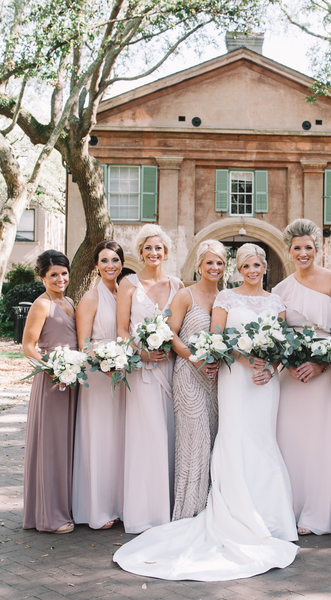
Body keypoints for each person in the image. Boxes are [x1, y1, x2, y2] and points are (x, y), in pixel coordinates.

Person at [113, 243, 298, 581]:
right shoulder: (213, 297)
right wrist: (221, 357)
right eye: (245, 265)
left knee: (251, 441)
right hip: (218, 377)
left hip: (248, 381)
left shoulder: (268, 301)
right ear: (201, 266)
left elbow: (282, 342)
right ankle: (195, 511)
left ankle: (265, 513)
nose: (251, 270)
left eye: (256, 265)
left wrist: (270, 367)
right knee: (214, 440)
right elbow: (209, 337)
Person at [274, 219, 331, 536]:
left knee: (320, 441)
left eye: (308, 247)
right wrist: (289, 362)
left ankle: (317, 514)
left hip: (325, 374)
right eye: (297, 248)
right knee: (289, 440)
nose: (302, 253)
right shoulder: (280, 290)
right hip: (291, 377)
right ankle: (288, 509)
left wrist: (321, 365)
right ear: (289, 251)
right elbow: (278, 335)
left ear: (317, 249)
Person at [116, 225, 183, 534]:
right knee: (148, 435)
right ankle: (144, 511)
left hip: (169, 368)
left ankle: (167, 508)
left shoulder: (177, 285)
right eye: (148, 248)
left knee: (169, 432)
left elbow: (180, 328)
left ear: (165, 252)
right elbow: (122, 330)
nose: (153, 253)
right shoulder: (128, 284)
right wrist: (141, 353)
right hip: (142, 370)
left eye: (158, 248)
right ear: (140, 252)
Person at [167, 239, 225, 520]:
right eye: (209, 262)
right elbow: (170, 334)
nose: (214, 267)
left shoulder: (226, 298)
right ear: (199, 265)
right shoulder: (185, 295)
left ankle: (211, 511)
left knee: (214, 440)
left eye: (220, 262)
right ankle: (188, 512)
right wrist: (195, 358)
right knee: (195, 442)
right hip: (189, 376)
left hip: (216, 380)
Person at [21, 250, 78, 534]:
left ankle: (67, 506)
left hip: (73, 381)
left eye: (63, 273)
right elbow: (28, 347)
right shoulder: (42, 304)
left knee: (68, 446)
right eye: (53, 275)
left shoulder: (70, 302)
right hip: (52, 382)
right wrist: (52, 368)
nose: (60, 279)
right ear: (42, 277)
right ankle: (49, 516)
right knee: (52, 446)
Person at [72, 240, 125, 530]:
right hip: (98, 376)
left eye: (115, 260)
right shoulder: (91, 298)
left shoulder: (125, 294)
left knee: (118, 440)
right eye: (104, 260)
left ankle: (118, 504)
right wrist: (105, 364)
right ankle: (97, 509)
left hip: (123, 375)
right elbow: (84, 344)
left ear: (122, 263)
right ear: (96, 265)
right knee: (100, 439)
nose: (110, 265)